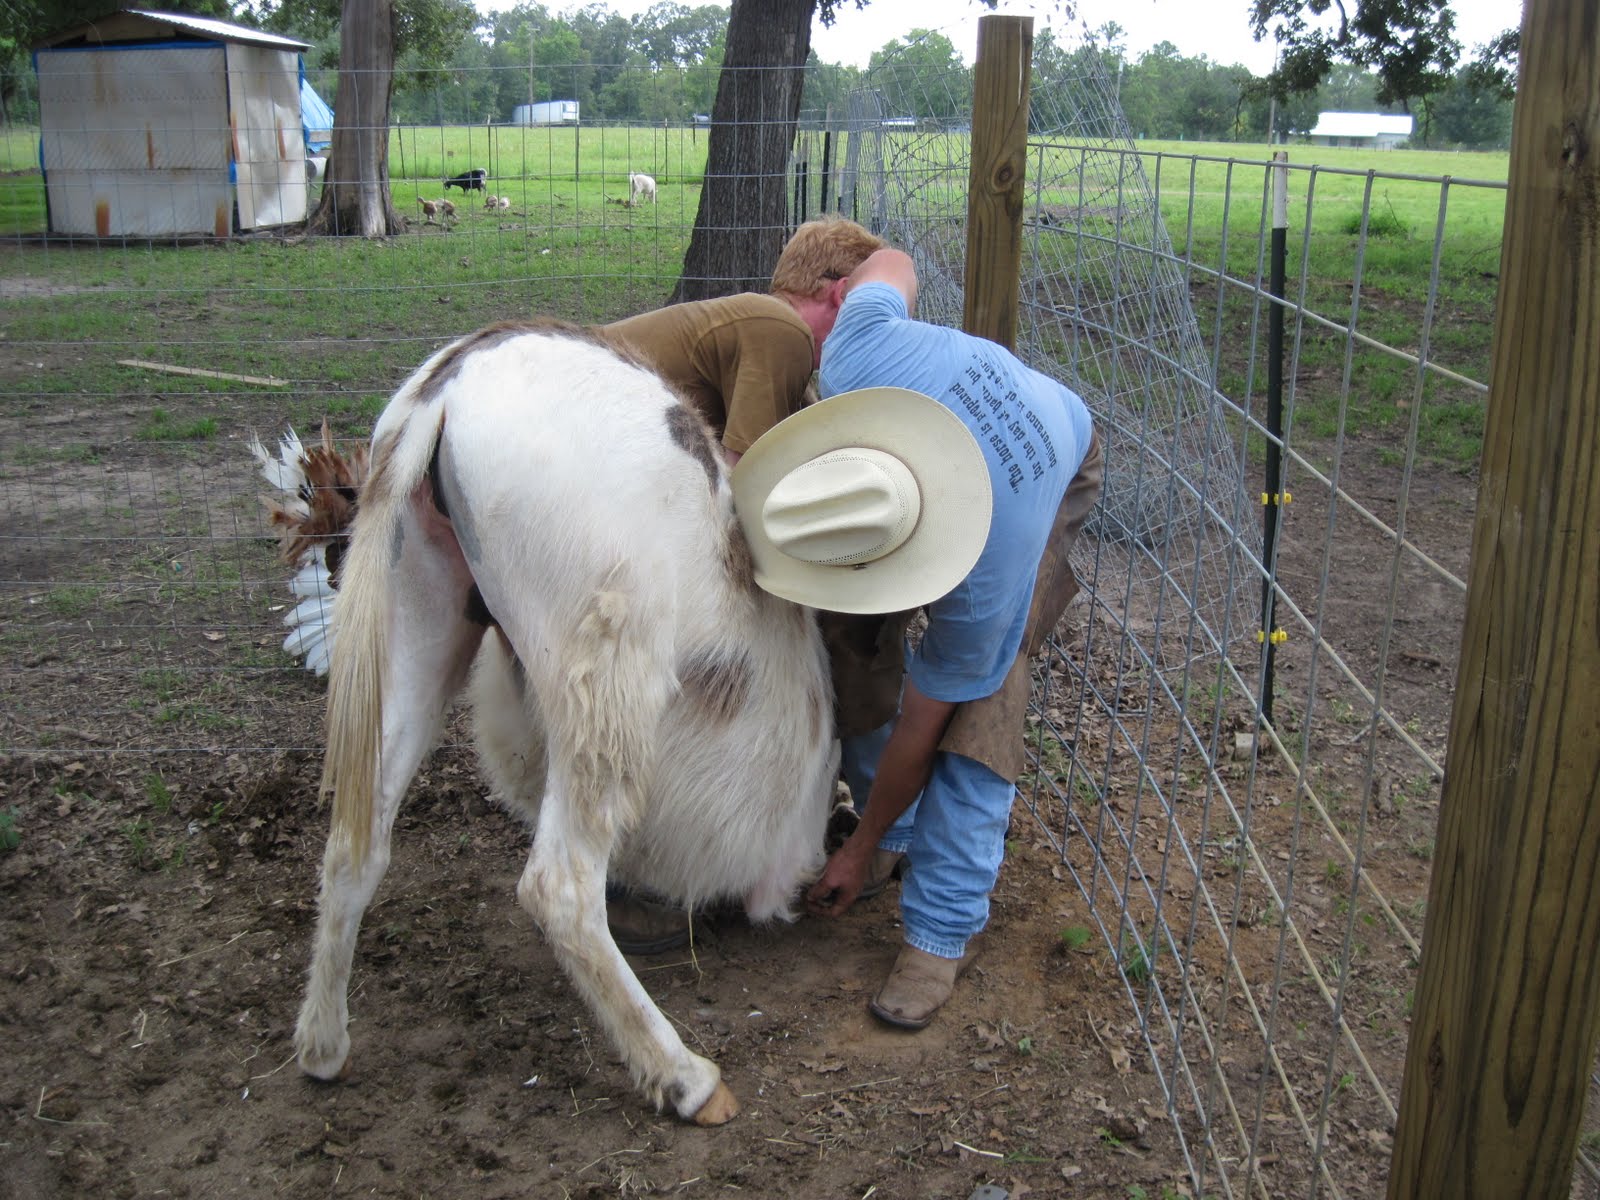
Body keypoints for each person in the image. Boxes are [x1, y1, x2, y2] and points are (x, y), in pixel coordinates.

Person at [791, 241, 1104, 1031]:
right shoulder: (857, 350)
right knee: (858, 634)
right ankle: (888, 827)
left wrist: (850, 854)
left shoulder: (991, 572)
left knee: (977, 716)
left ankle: (941, 930)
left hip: (1054, 462)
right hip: (947, 470)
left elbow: (926, 726)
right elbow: (892, 257)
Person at [593, 216, 886, 952]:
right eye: (872, 310)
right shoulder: (779, 329)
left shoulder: (750, 325)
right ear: (841, 294)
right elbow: (736, 481)